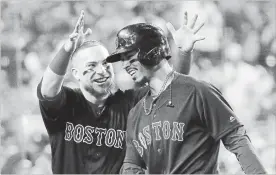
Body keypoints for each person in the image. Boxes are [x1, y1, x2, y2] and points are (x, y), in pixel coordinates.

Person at [37, 10, 204, 174]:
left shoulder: (131, 104)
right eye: (91, 66)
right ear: (76, 74)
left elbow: (172, 89)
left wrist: (183, 52)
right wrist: (67, 49)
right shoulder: (67, 103)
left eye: (105, 64)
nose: (102, 70)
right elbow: (47, 88)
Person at [106, 15, 268, 174]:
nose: (125, 65)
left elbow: (237, 140)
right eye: (123, 59)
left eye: (130, 57)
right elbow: (131, 166)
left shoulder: (198, 92)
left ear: (151, 53)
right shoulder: (136, 114)